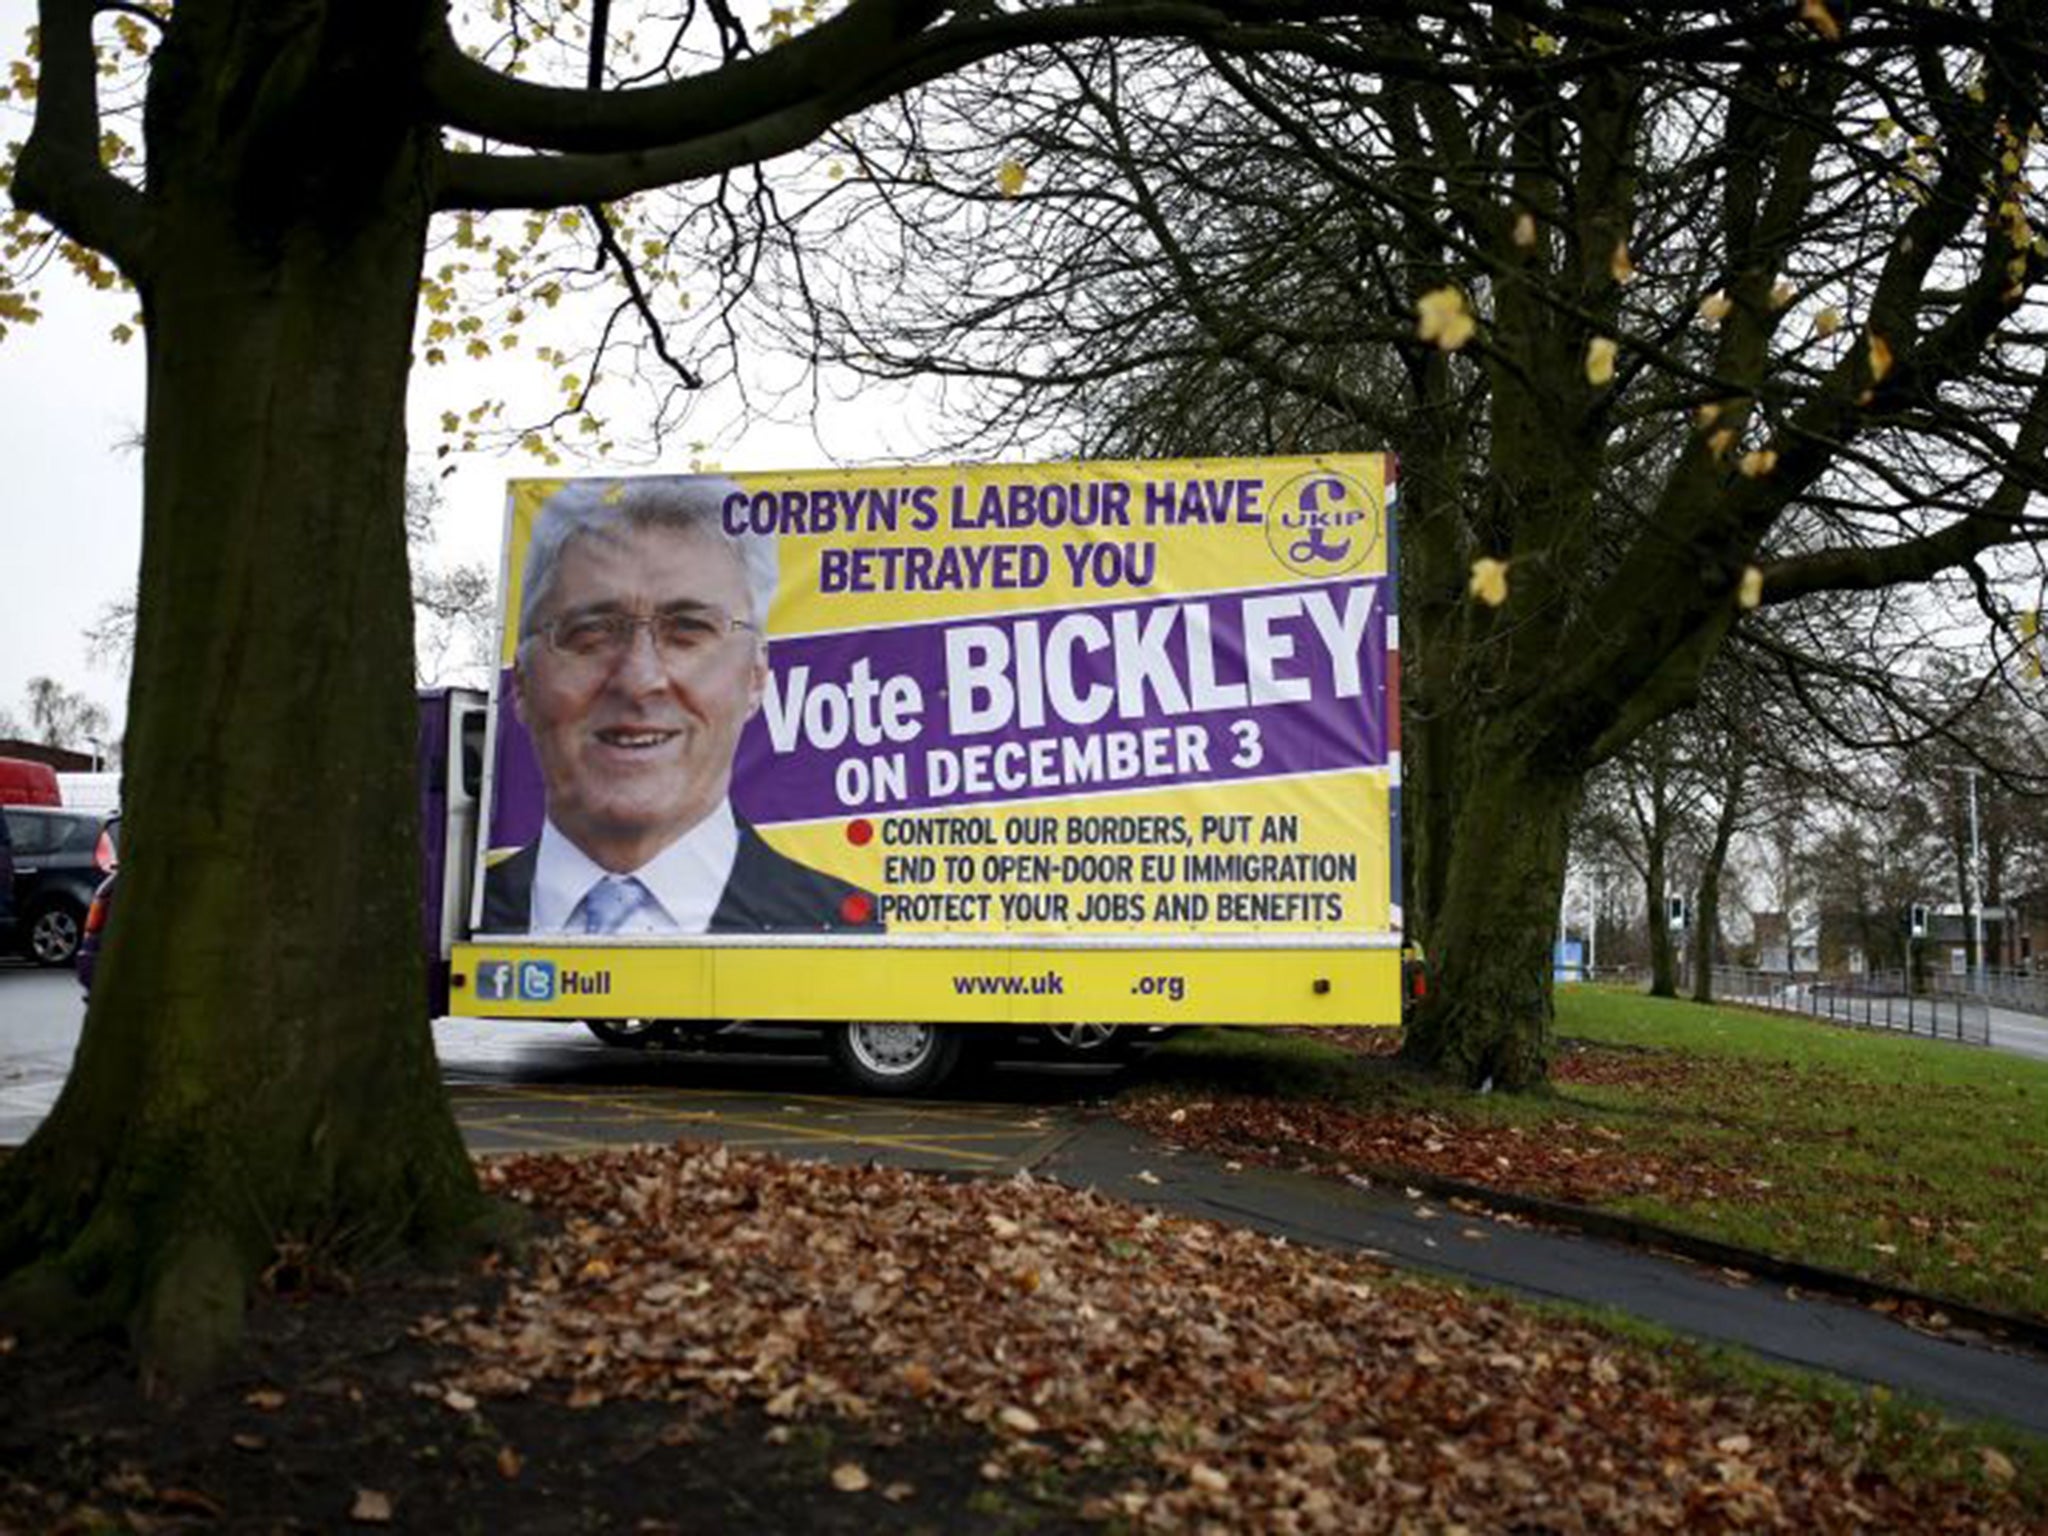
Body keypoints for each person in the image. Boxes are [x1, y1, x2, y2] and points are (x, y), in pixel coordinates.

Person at [482, 477, 880, 936]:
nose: (638, 680)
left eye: (688, 631)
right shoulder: (445, 919)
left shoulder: (848, 926)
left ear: (755, 676)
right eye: (590, 631)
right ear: (524, 682)